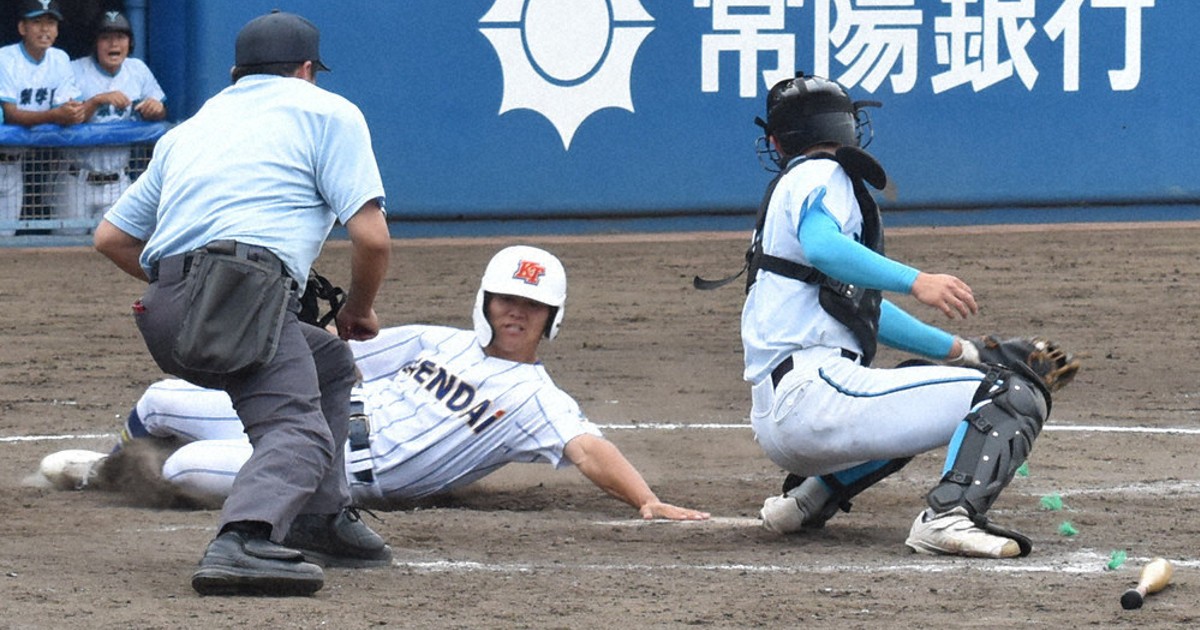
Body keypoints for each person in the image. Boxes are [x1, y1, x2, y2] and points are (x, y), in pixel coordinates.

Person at [41, 246, 711, 524]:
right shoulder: (439, 340)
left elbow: (589, 449)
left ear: (551, 318)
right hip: (307, 417)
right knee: (160, 400)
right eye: (507, 299)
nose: (516, 313)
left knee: (183, 467)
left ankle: (123, 480)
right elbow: (341, 352)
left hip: (340, 468)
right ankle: (107, 468)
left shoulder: (539, 400)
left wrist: (647, 500)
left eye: (532, 307)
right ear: (485, 300)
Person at [92, 10, 392, 597]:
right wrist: (358, 310)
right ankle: (244, 538)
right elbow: (372, 238)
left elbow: (110, 238)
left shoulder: (188, 130)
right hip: (238, 302)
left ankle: (319, 517)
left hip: (165, 312)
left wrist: (191, 287)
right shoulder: (329, 112)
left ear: (236, 74)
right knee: (298, 431)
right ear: (305, 70)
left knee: (329, 362)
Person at [738, 72, 1070, 559]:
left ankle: (808, 499)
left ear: (776, 141)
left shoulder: (791, 189)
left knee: (918, 380)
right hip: (816, 397)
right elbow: (824, 247)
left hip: (787, 414)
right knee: (1009, 393)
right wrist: (918, 281)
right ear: (849, 127)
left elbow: (863, 310)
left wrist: (965, 352)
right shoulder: (822, 173)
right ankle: (948, 517)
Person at [55, 10, 167, 234]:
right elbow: (69, 117)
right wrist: (97, 100)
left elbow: (162, 112)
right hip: (77, 179)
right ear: (95, 43)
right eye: (105, 37)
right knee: (64, 245)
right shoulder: (75, 69)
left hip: (118, 180)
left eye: (120, 37)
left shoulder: (138, 70)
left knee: (116, 244)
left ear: (129, 42)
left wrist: (156, 109)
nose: (113, 43)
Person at [0, 0, 84, 236]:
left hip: (14, 164)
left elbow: (68, 110)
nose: (45, 29)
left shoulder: (60, 59)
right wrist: (54, 115)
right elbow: (11, 114)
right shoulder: (5, 58)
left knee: (5, 238)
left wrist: (72, 112)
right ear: (22, 28)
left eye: (51, 23)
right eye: (37, 22)